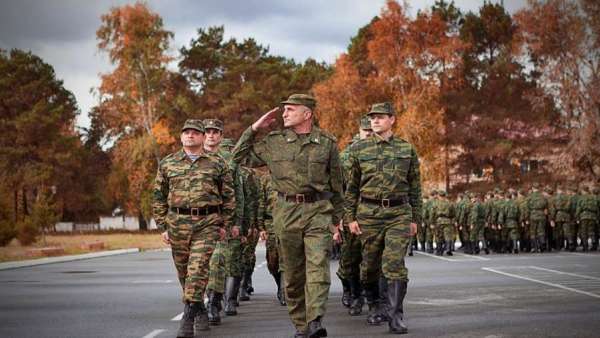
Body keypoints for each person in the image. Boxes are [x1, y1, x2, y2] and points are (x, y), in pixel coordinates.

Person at [233, 94, 344, 338]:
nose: (284, 114)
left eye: (290, 110)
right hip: (286, 213)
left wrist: (338, 220)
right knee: (293, 276)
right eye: (285, 110)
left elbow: (337, 184)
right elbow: (237, 157)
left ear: (307, 114)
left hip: (318, 212)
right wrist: (253, 129)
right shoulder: (274, 142)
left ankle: (315, 320)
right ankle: (301, 325)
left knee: (318, 269)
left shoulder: (326, 142)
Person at [344, 102, 422, 334]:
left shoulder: (406, 149)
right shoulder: (359, 150)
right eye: (372, 118)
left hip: (398, 213)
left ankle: (395, 314)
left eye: (379, 117)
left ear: (392, 120)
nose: (374, 121)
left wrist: (415, 218)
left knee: (394, 264)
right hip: (368, 214)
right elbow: (351, 189)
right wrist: (350, 217)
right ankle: (375, 304)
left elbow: (416, 188)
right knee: (369, 266)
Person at [152, 119, 234, 337]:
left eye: (195, 133)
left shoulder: (217, 163)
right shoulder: (168, 163)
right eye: (186, 132)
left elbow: (228, 196)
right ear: (181, 137)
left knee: (197, 269)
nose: (190, 135)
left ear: (202, 137)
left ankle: (188, 317)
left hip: (207, 223)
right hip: (177, 224)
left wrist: (224, 223)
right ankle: (199, 310)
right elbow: (158, 197)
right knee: (185, 274)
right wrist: (163, 225)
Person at [337, 115, 372, 316]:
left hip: (376, 216)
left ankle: (375, 299)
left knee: (374, 259)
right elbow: (337, 190)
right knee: (350, 259)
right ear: (359, 131)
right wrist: (340, 218)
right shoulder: (345, 157)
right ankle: (353, 293)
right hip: (352, 216)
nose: (369, 134)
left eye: (371, 131)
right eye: (365, 131)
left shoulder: (383, 153)